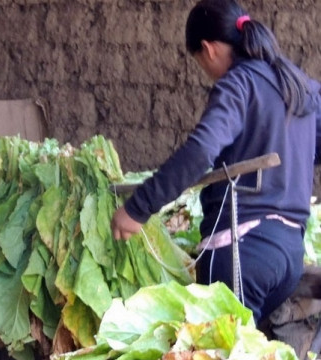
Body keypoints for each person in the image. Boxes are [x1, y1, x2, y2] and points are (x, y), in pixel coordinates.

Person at [111, 0, 321, 324]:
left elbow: (201, 149)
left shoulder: (239, 84)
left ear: (208, 50)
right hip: (289, 254)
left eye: (199, 61)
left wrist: (138, 208)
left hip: (242, 253)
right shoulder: (300, 86)